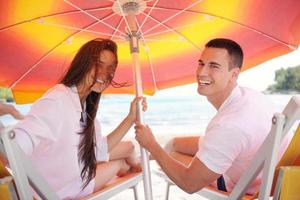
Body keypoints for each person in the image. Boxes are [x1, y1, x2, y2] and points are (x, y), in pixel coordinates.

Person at [134, 38, 288, 195]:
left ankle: (147, 157)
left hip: (245, 184)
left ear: (233, 74)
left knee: (173, 155)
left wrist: (151, 144)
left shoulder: (228, 125)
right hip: (259, 166)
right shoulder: (252, 96)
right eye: (201, 63)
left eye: (214, 66)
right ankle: (145, 159)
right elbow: (225, 138)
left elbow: (189, 183)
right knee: (174, 143)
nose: (202, 72)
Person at [7, 38, 146, 199]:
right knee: (122, 158)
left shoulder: (85, 108)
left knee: (123, 155)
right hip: (62, 190)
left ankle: (129, 165)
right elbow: (14, 145)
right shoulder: (57, 100)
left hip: (76, 181)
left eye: (111, 68)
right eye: (99, 64)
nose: (105, 73)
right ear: (84, 64)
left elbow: (98, 149)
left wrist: (131, 118)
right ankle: (130, 165)